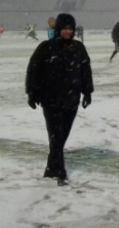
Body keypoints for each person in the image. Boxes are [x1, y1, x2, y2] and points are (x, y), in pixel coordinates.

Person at [25, 13, 93, 186]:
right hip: (51, 99)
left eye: (71, 29)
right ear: (58, 29)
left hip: (72, 99)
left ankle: (50, 169)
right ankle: (60, 172)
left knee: (61, 137)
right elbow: (34, 70)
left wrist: (87, 92)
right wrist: (32, 93)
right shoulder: (46, 47)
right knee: (56, 137)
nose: (68, 32)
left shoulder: (78, 48)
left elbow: (85, 70)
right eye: (65, 28)